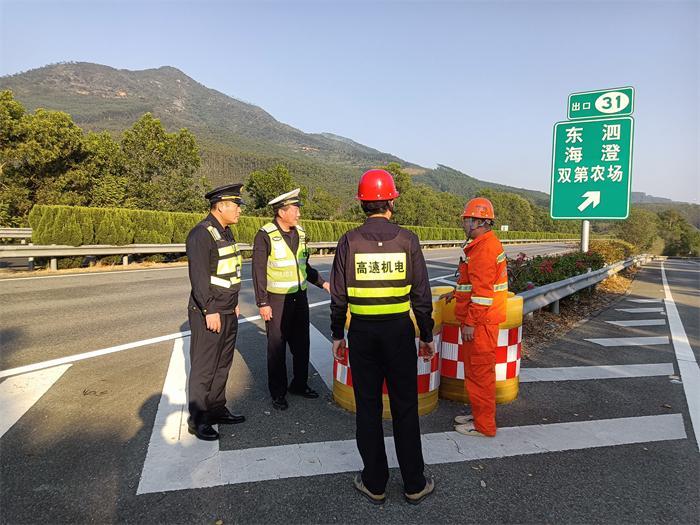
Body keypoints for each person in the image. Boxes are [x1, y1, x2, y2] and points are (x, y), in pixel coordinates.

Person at [330, 169, 436, 505]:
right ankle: (414, 483)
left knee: (368, 407)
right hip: (399, 333)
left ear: (362, 203)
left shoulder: (349, 241)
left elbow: (338, 297)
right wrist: (426, 334)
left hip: (362, 333)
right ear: (391, 202)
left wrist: (337, 335)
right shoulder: (408, 240)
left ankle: (374, 483)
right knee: (405, 407)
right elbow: (421, 295)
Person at [252, 188, 330, 411]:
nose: (299, 214)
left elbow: (303, 266)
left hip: (299, 297)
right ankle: (278, 392)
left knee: (302, 344)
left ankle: (299, 384)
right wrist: (262, 302)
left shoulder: (301, 234)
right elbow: (258, 272)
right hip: (276, 299)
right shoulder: (265, 235)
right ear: (282, 212)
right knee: (277, 347)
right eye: (295, 210)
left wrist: (323, 283)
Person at [186, 183, 247, 441]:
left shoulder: (225, 232)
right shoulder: (201, 234)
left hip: (227, 309)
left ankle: (217, 408)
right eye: (236, 206)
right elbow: (199, 277)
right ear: (221, 206)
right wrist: (209, 309)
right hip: (210, 312)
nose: (239, 211)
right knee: (205, 367)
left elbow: (228, 272)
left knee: (222, 364)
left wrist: (233, 302)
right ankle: (198, 419)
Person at [449, 197, 508, 437]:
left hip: (481, 323)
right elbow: (474, 285)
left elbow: (483, 295)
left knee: (480, 374)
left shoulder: (484, 250)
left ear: (478, 222)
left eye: (467, 220)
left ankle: (484, 426)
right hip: (482, 320)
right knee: (477, 373)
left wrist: (471, 323)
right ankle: (479, 414)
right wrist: (456, 293)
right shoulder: (483, 245)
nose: (464, 224)